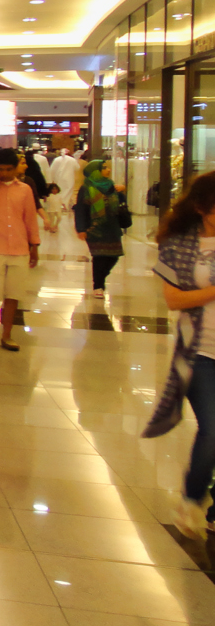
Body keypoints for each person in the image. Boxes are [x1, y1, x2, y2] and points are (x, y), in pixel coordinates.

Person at [145, 172, 215, 540]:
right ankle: (191, 498)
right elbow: (174, 300)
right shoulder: (179, 245)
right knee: (213, 429)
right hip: (201, 351)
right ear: (202, 208)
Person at [0, 148, 40, 352]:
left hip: (19, 248)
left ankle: (7, 335)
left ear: (16, 169)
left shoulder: (24, 190)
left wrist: (35, 245)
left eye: (8, 169)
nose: (4, 173)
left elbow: (30, 218)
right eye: (0, 170)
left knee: (13, 293)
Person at [75, 160, 125, 298]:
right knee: (99, 257)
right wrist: (81, 228)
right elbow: (81, 209)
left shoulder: (112, 186)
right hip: (95, 227)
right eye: (104, 168)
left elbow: (120, 204)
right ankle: (98, 286)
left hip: (112, 226)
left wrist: (122, 192)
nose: (108, 170)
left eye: (108, 167)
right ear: (95, 171)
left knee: (114, 256)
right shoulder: (86, 188)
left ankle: (100, 279)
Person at [50, 144, 81, 209]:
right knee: (68, 192)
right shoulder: (72, 160)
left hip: (58, 178)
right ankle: (65, 205)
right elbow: (77, 168)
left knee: (59, 191)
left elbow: (52, 170)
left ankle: (59, 205)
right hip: (69, 178)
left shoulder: (56, 159)